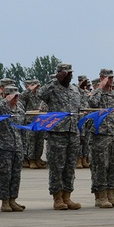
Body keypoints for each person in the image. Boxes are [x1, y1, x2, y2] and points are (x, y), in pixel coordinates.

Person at [36, 63, 83, 210]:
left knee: (70, 167)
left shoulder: (75, 90)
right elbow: (40, 94)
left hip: (72, 132)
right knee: (57, 167)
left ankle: (67, 197)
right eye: (67, 73)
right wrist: (55, 80)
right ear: (60, 74)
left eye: (71, 73)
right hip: (57, 133)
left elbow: (79, 108)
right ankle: (57, 198)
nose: (70, 76)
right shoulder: (52, 88)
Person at [88, 68, 114, 209]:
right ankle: (101, 196)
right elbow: (92, 104)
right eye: (108, 78)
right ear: (102, 78)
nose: (111, 80)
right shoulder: (96, 94)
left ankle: (111, 194)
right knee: (100, 166)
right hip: (100, 135)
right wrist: (100, 87)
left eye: (112, 78)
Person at [0, 85, 27, 211]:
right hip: (4, 147)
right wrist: (5, 100)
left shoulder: (20, 107)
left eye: (17, 95)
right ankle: (4, 201)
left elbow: (23, 128)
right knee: (4, 175)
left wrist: (24, 147)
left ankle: (12, 200)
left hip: (18, 146)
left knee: (16, 175)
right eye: (13, 96)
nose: (16, 98)